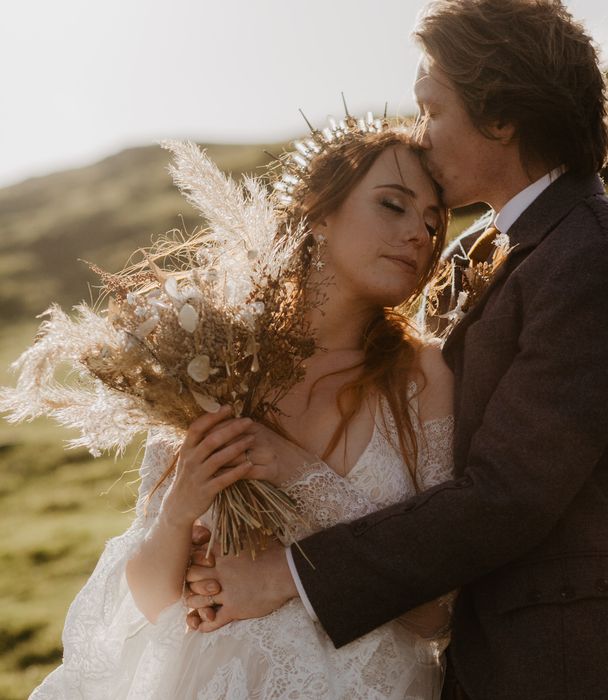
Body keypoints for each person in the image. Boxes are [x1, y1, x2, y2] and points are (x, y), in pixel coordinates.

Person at [185, 1, 608, 698]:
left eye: (432, 109)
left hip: (573, 667)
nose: (421, 138)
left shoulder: (600, 257)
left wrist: (284, 573)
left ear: (501, 115)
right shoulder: (470, 256)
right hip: (466, 666)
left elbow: (510, 496)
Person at [30, 126, 459, 699]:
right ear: (319, 211)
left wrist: (293, 471)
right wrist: (179, 511)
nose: (418, 235)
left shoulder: (421, 375)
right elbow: (154, 603)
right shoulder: (219, 363)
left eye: (432, 223)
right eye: (393, 205)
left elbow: (437, 611)